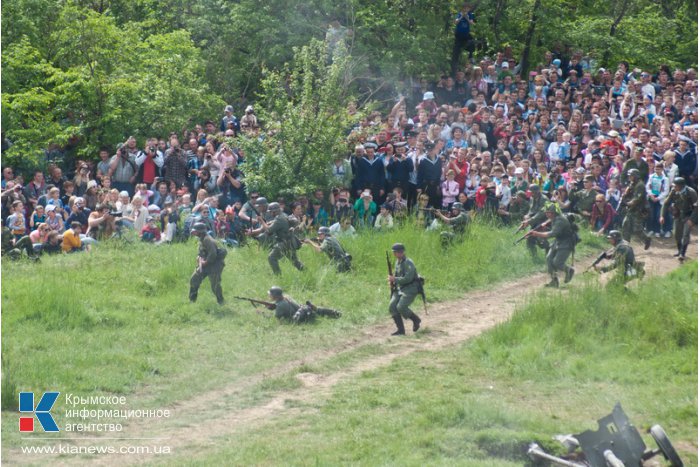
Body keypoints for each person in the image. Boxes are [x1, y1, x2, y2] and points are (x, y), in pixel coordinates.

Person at [526, 204, 576, 288]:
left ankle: (569, 270)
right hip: (558, 240)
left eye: (549, 213)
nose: (547, 214)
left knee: (557, 262)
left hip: (566, 242)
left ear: (554, 213)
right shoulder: (553, 219)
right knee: (549, 258)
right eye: (546, 212)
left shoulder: (560, 220)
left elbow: (552, 234)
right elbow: (554, 231)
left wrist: (536, 233)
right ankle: (554, 280)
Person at [252, 202, 304, 275]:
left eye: (271, 212)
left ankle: (278, 276)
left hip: (284, 243)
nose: (270, 213)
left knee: (271, 258)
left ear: (275, 211)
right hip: (289, 243)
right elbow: (271, 224)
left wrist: (261, 220)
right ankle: (306, 272)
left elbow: (268, 230)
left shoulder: (279, 219)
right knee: (295, 262)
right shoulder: (282, 216)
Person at [387, 243, 422, 336]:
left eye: (396, 252)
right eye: (394, 252)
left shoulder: (408, 262)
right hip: (400, 288)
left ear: (401, 252)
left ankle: (416, 320)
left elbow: (408, 278)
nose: (395, 254)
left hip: (410, 288)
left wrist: (395, 279)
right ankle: (401, 330)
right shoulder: (397, 262)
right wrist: (392, 282)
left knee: (401, 307)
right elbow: (398, 276)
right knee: (392, 306)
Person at [189, 222, 226, 305]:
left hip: (215, 265)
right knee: (194, 279)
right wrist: (199, 257)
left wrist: (204, 263)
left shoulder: (207, 239)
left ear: (200, 231)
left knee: (215, 286)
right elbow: (202, 251)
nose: (194, 233)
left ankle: (221, 302)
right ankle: (192, 301)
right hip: (206, 264)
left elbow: (213, 254)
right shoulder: (202, 239)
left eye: (195, 231)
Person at [661, 177, 697, 260]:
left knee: (685, 234)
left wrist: (692, 220)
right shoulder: (673, 191)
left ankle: (682, 253)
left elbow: (697, 208)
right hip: (678, 215)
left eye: (675, 186)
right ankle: (679, 251)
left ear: (681, 186)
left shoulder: (691, 192)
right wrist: (662, 216)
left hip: (688, 216)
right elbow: (666, 204)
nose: (674, 187)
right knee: (677, 234)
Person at [267, 286, 341, 323]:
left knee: (316, 312)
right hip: (303, 310)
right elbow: (279, 304)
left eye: (270, 295)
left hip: (299, 317)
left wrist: (263, 314)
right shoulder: (286, 297)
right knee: (318, 310)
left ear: (275, 296)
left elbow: (277, 318)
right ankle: (336, 313)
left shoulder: (280, 306)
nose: (269, 296)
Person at [620, 168, 652, 250]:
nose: (629, 177)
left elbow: (637, 199)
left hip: (638, 210)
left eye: (631, 176)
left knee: (637, 230)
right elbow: (627, 194)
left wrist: (627, 203)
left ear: (635, 176)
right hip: (631, 209)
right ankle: (625, 246)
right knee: (625, 226)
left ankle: (646, 239)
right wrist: (624, 197)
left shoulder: (640, 185)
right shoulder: (632, 184)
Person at [518, 184, 550, 257]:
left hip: (545, 222)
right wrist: (527, 216)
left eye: (531, 192)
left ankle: (550, 250)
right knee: (529, 238)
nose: (530, 194)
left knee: (540, 240)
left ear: (536, 192)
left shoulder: (544, 199)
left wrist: (529, 221)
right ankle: (534, 257)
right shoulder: (532, 198)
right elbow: (532, 210)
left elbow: (541, 214)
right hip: (536, 222)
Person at [451, 2, 476, 74]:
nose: (466, 9)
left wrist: (467, 18)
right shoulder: (459, 14)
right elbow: (455, 22)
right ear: (463, 8)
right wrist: (462, 16)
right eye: (465, 8)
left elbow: (472, 23)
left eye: (468, 8)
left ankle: (470, 56)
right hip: (459, 34)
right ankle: (456, 62)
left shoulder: (470, 15)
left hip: (466, 34)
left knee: (472, 42)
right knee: (457, 48)